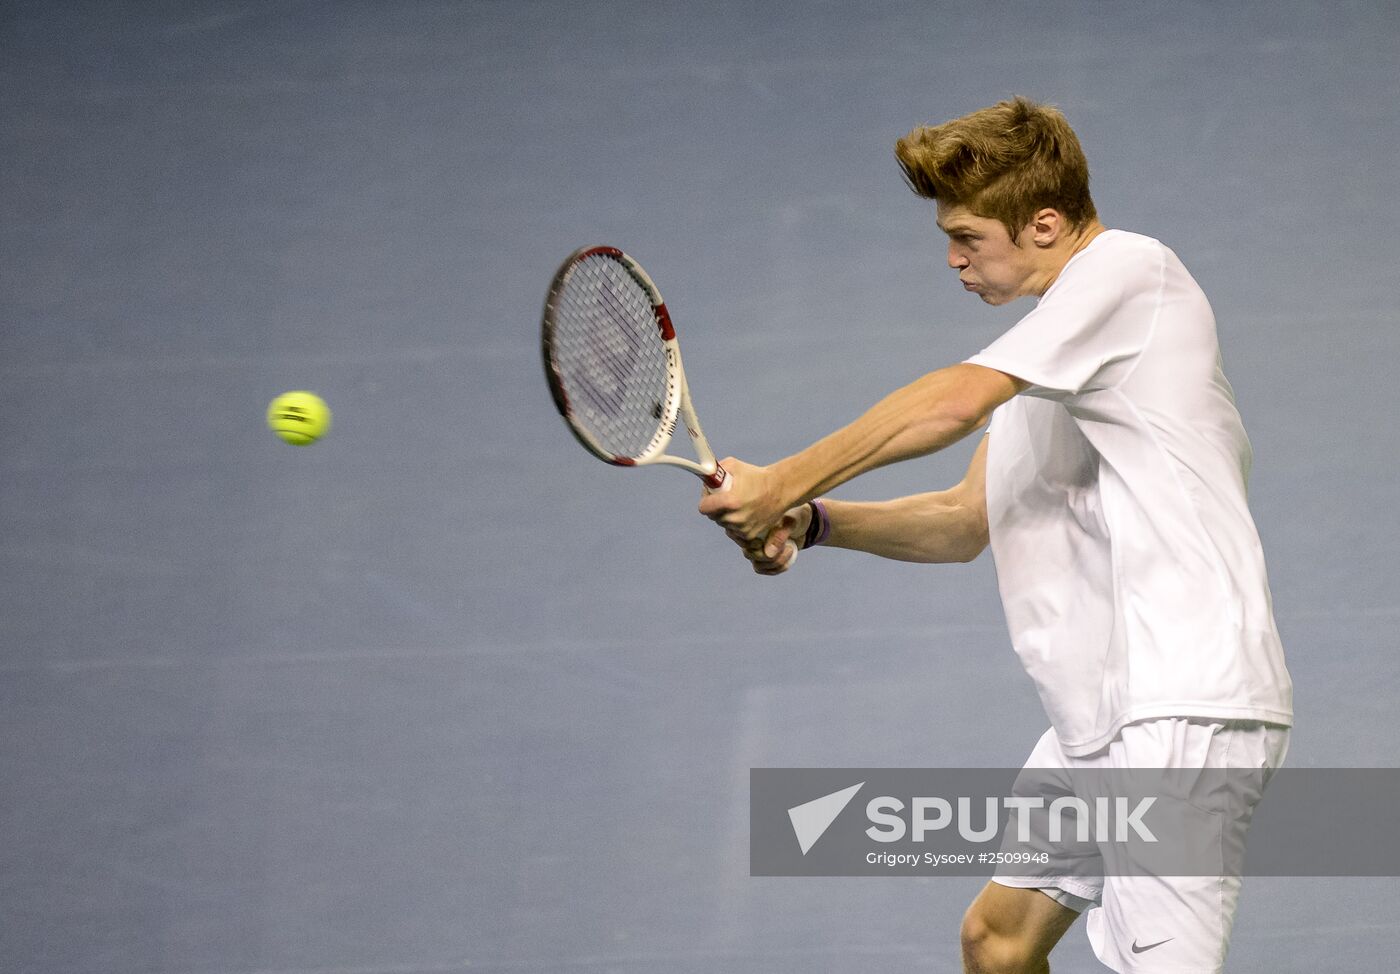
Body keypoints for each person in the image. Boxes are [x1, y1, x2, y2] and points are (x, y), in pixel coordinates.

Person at [698, 96, 1293, 974]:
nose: (952, 258)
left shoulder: (1133, 273)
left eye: (969, 236)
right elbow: (965, 522)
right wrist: (815, 520)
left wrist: (783, 477)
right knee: (998, 943)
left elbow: (951, 399)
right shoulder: (1052, 359)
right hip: (1101, 718)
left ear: (1045, 224)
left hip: (1181, 706)